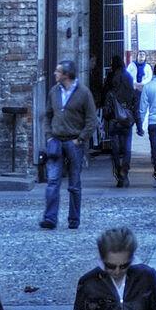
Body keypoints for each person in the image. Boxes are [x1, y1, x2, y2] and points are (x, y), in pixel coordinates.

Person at [40, 59, 97, 229]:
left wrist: (80, 139)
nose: (55, 74)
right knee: (52, 181)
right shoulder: (54, 92)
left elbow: (91, 119)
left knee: (74, 184)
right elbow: (48, 115)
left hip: (74, 142)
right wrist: (49, 136)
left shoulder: (84, 93)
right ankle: (50, 218)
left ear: (66, 75)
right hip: (56, 141)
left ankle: (74, 219)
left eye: (58, 71)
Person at [101, 56, 139, 189]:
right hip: (127, 122)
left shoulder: (111, 93)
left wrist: (107, 119)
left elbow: (106, 110)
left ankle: (119, 173)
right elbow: (136, 109)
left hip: (114, 122)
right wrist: (139, 125)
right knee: (127, 149)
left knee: (115, 150)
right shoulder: (131, 92)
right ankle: (125, 170)